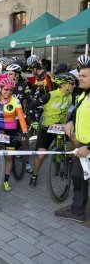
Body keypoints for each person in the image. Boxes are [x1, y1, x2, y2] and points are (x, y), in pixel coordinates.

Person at [55, 61, 90, 222]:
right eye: (79, 75)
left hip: (87, 149)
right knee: (78, 178)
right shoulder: (84, 94)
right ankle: (78, 211)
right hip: (81, 147)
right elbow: (76, 110)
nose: (79, 79)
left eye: (84, 76)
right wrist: (70, 121)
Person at [28, 74, 75, 186]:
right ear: (64, 85)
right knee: (41, 155)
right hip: (47, 128)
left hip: (62, 126)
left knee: (75, 140)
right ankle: (34, 175)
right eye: (72, 84)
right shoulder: (50, 95)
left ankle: (69, 159)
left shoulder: (71, 96)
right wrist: (34, 121)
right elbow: (31, 107)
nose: (74, 85)